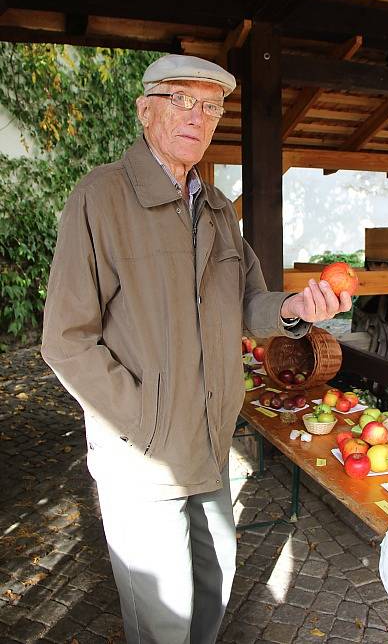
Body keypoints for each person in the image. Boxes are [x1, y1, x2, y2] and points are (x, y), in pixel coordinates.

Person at [41, 54, 352, 644]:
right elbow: (65, 339)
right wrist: (142, 421)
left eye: (211, 105)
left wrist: (295, 310)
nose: (199, 116)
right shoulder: (100, 199)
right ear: (146, 110)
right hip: (145, 458)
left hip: (210, 446)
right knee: (164, 621)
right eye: (182, 99)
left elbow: (250, 304)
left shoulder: (217, 210)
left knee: (212, 593)